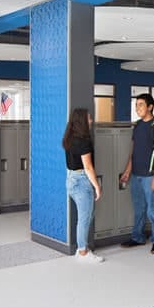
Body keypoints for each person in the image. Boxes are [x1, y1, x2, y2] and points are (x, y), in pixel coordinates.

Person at [119, 93, 154, 254]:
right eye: (136, 105)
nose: (137, 108)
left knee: (153, 209)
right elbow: (134, 151)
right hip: (136, 175)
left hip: (150, 175)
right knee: (139, 208)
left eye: (140, 104)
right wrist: (127, 171)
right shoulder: (138, 125)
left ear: (150, 107)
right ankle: (137, 237)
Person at [62, 108, 103, 263]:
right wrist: (97, 186)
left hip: (71, 180)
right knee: (84, 218)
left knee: (86, 216)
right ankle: (83, 252)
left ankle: (82, 248)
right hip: (81, 181)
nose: (91, 120)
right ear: (82, 122)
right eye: (89, 118)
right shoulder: (83, 141)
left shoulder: (69, 138)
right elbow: (88, 167)